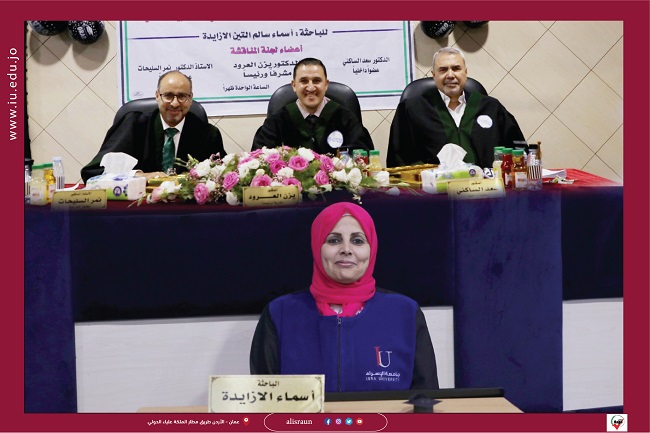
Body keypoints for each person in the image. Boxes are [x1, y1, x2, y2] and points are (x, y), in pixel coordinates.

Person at [250, 202, 439, 392]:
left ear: (371, 248)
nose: (346, 249)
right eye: (334, 240)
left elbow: (426, 400)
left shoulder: (405, 313)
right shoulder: (280, 313)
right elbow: (264, 399)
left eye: (358, 241)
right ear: (317, 246)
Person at [387, 47, 525, 168]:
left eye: (456, 68)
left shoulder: (491, 107)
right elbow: (398, 159)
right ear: (434, 75)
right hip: (434, 188)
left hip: (486, 186)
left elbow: (519, 149)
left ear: (465, 72)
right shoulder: (412, 109)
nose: (450, 75)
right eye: (443, 70)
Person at [81, 70, 226, 183]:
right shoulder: (133, 126)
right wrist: (139, 176)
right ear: (157, 96)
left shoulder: (207, 134)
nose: (175, 103)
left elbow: (223, 178)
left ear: (190, 98)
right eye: (168, 95)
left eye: (182, 96)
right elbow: (94, 172)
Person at [252, 57, 374, 155]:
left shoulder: (346, 119)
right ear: (294, 85)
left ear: (326, 84)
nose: (310, 87)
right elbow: (259, 161)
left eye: (316, 81)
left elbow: (363, 157)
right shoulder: (276, 123)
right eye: (304, 81)